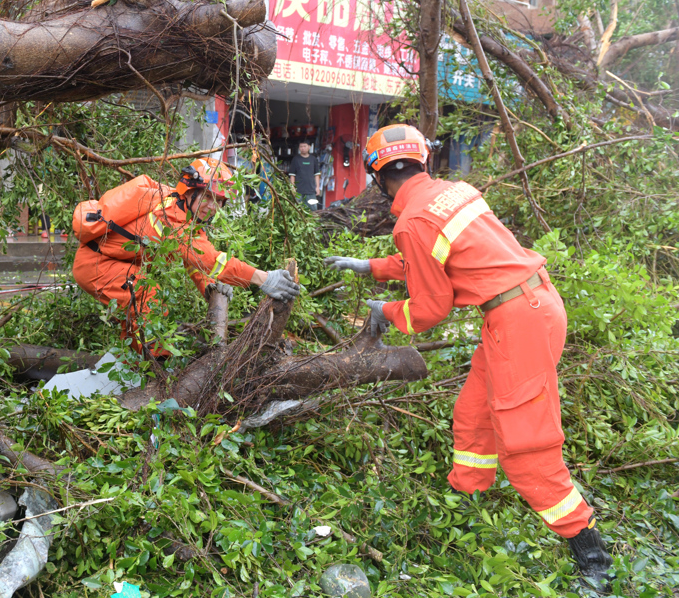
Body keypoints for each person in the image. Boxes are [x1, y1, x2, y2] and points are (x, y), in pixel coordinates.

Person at [324, 124, 613, 591]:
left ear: (378, 178)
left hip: (519, 324)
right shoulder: (454, 192)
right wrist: (371, 267)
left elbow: (430, 308)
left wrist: (387, 311)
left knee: (525, 447)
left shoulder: (412, 222)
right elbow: (447, 256)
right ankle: (466, 500)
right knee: (474, 414)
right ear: (423, 162)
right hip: (530, 307)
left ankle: (592, 555)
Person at [73, 159, 301, 355]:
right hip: (96, 265)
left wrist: (208, 287)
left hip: (109, 263)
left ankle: (133, 363)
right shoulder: (171, 217)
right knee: (145, 296)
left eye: (218, 201)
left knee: (139, 304)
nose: (212, 207)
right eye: (207, 197)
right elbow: (211, 260)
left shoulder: (182, 213)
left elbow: (191, 259)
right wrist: (264, 279)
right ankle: (156, 364)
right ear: (189, 192)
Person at [288, 142, 321, 210]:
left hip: (311, 190)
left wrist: (317, 187)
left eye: (304, 146)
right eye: (301, 146)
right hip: (298, 190)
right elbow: (292, 175)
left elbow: (316, 175)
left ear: (309, 147)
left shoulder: (313, 159)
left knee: (313, 210)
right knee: (297, 210)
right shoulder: (295, 159)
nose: (302, 148)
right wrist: (292, 187)